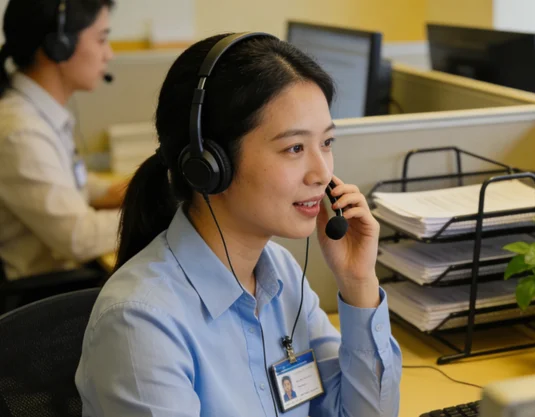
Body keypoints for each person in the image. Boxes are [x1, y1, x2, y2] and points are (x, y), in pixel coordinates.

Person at [75, 32, 402, 416]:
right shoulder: (141, 322)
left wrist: (358, 283)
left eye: (326, 143)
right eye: (294, 148)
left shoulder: (279, 274)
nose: (322, 172)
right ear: (210, 166)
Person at [0, 0, 125, 280]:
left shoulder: (37, 113)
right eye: (102, 39)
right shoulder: (20, 131)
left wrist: (124, 190)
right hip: (46, 298)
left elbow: (68, 181)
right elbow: (77, 238)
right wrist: (155, 212)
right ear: (60, 45)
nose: (109, 54)